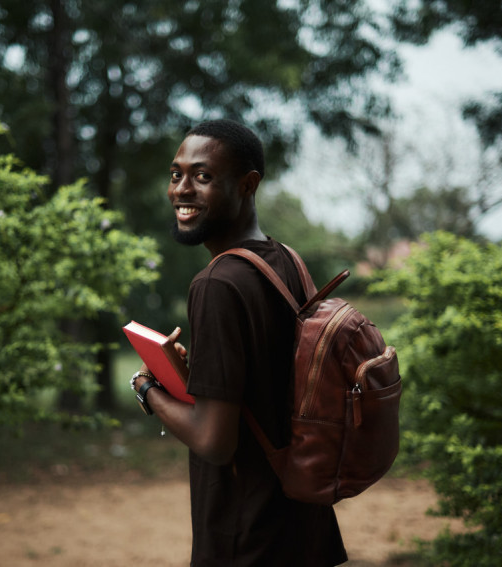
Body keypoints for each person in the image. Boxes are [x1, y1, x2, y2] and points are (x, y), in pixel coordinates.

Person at [130, 119, 348, 566]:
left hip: (246, 536)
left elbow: (215, 441)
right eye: (177, 175)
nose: (182, 190)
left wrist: (147, 389)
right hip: (304, 524)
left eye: (203, 176)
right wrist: (192, 378)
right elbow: (267, 387)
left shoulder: (217, 284)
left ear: (248, 185)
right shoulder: (286, 260)